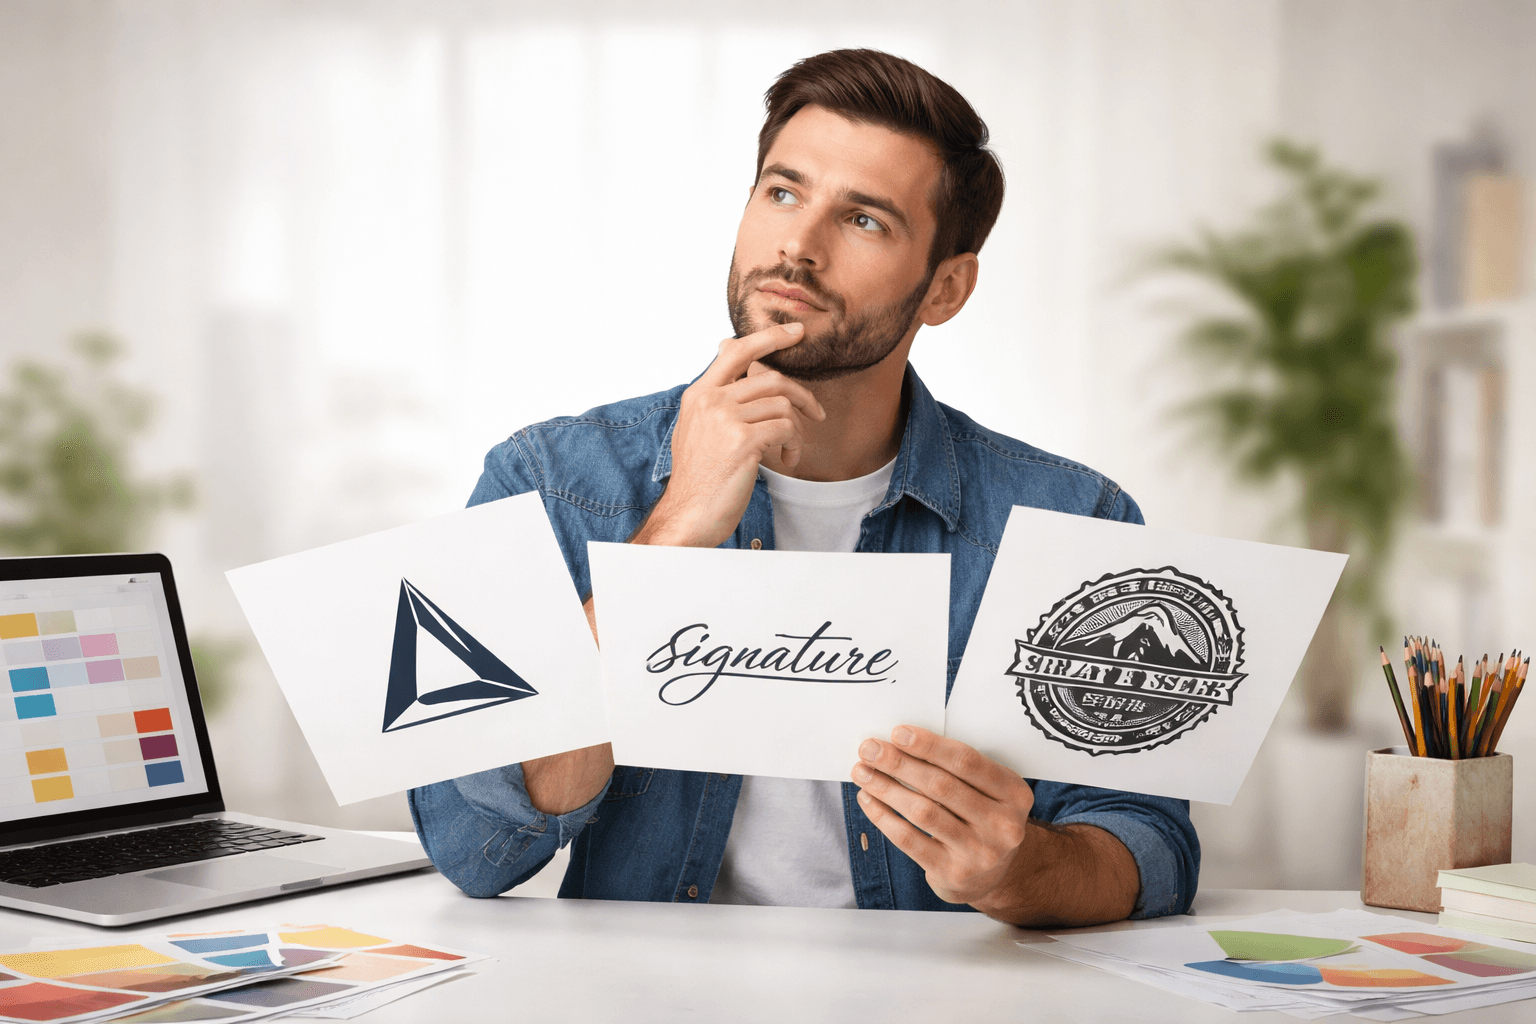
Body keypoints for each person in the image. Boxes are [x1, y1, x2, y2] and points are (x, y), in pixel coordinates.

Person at [409, 48, 1198, 927]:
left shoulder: (1073, 521)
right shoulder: (550, 480)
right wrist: (671, 535)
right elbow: (470, 842)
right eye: (782, 193)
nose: (798, 246)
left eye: (863, 220)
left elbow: (1146, 844)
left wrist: (1015, 871)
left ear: (945, 287)